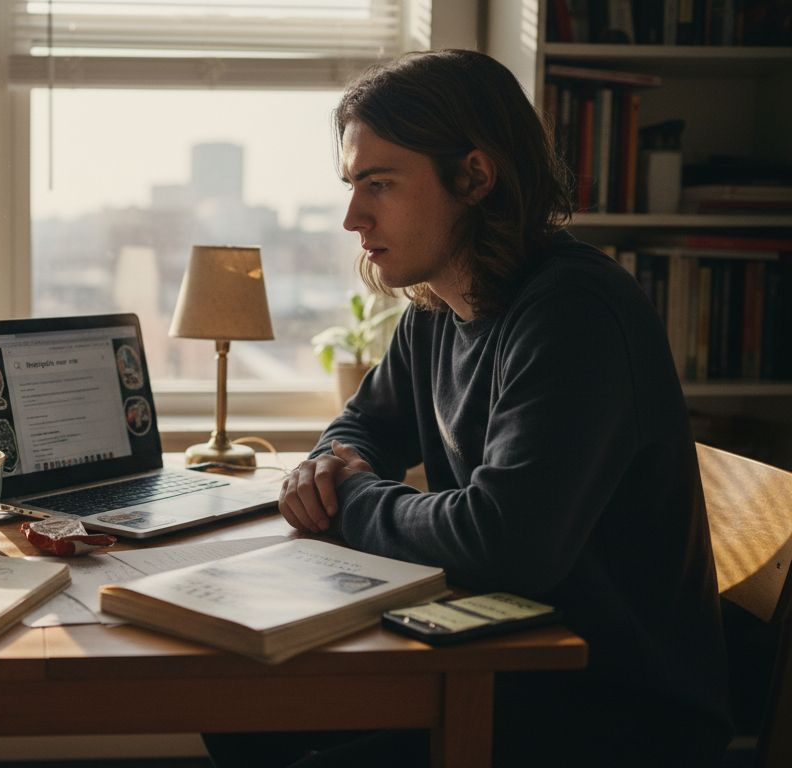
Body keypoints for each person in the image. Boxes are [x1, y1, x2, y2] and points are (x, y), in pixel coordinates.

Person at [205, 49, 731, 767]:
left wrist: (350, 494)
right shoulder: (437, 308)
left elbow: (501, 543)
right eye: (352, 186)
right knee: (235, 706)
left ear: (474, 177)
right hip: (498, 650)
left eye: (378, 184)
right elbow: (361, 426)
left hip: (606, 705)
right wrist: (330, 463)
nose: (353, 217)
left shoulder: (575, 314)